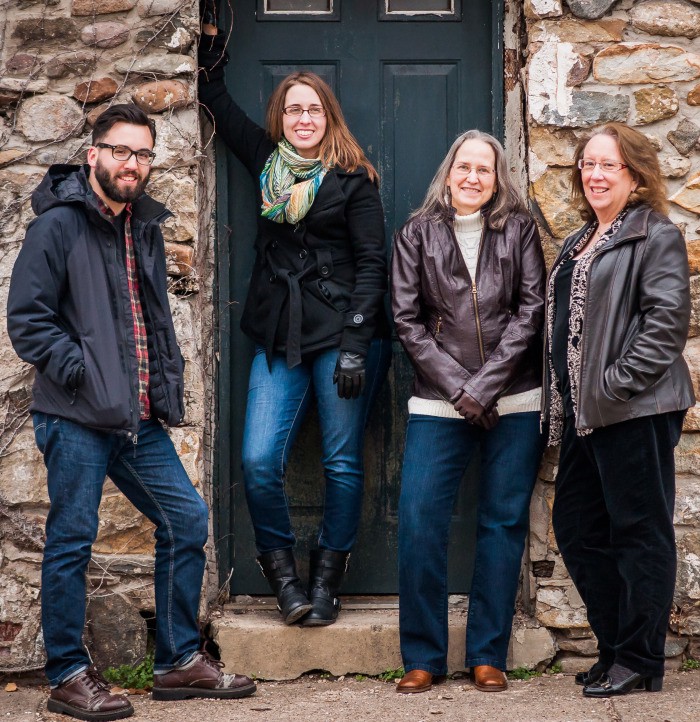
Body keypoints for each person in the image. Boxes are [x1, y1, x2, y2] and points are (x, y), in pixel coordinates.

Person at [6, 104, 256, 722]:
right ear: (93, 154)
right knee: (71, 539)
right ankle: (66, 674)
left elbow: (148, 323)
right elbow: (28, 323)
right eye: (121, 151)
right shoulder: (57, 227)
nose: (133, 164)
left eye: (143, 154)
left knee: (186, 519)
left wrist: (156, 390)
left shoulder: (141, 226)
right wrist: (83, 374)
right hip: (75, 416)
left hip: (134, 419)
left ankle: (176, 663)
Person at [198, 11, 391, 627]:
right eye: (292, 110)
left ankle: (327, 578)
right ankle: (283, 576)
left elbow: (373, 263)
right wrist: (210, 47)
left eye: (313, 110)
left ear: (328, 117)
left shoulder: (354, 180)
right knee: (259, 460)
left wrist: (359, 343)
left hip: (342, 335)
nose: (302, 119)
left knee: (340, 461)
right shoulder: (266, 163)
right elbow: (215, 100)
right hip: (279, 337)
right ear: (281, 118)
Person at [391, 130, 546, 694]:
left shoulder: (520, 229)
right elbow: (406, 321)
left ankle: (488, 654)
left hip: (517, 400)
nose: (474, 178)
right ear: (448, 173)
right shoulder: (416, 233)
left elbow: (532, 311)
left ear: (497, 177)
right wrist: (462, 389)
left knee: (502, 525)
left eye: (485, 169)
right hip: (438, 402)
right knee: (419, 523)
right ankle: (423, 656)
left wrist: (487, 386)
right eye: (464, 167)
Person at [544, 122, 695, 697]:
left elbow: (665, 325)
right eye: (587, 164)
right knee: (579, 528)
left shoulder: (655, 234)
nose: (595, 174)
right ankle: (615, 650)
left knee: (639, 531)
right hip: (588, 413)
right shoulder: (581, 238)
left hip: (631, 408)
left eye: (608, 165)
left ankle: (638, 660)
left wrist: (613, 384)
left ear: (634, 175)